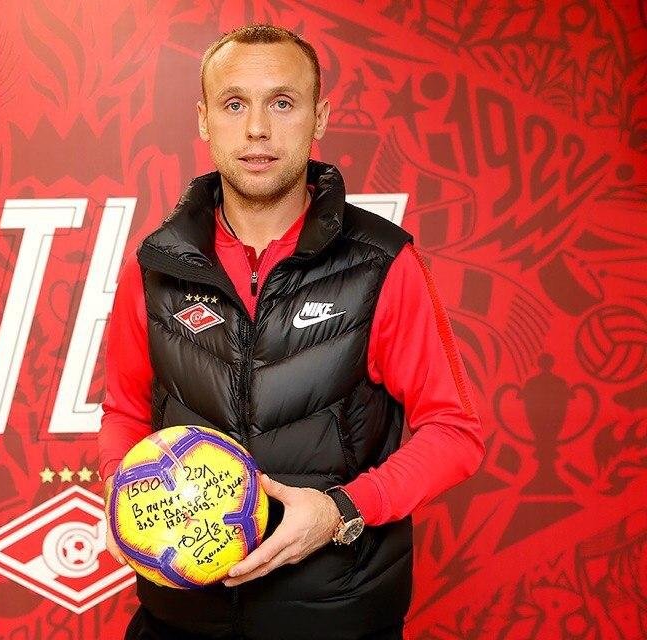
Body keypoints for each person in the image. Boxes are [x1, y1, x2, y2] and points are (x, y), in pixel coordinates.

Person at [98, 24, 485, 640]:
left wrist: (341, 510)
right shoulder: (155, 266)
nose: (257, 129)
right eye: (234, 104)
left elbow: (454, 432)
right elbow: (124, 411)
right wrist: (123, 493)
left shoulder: (381, 263)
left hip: (338, 622)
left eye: (282, 103)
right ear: (203, 120)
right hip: (179, 623)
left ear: (319, 117)